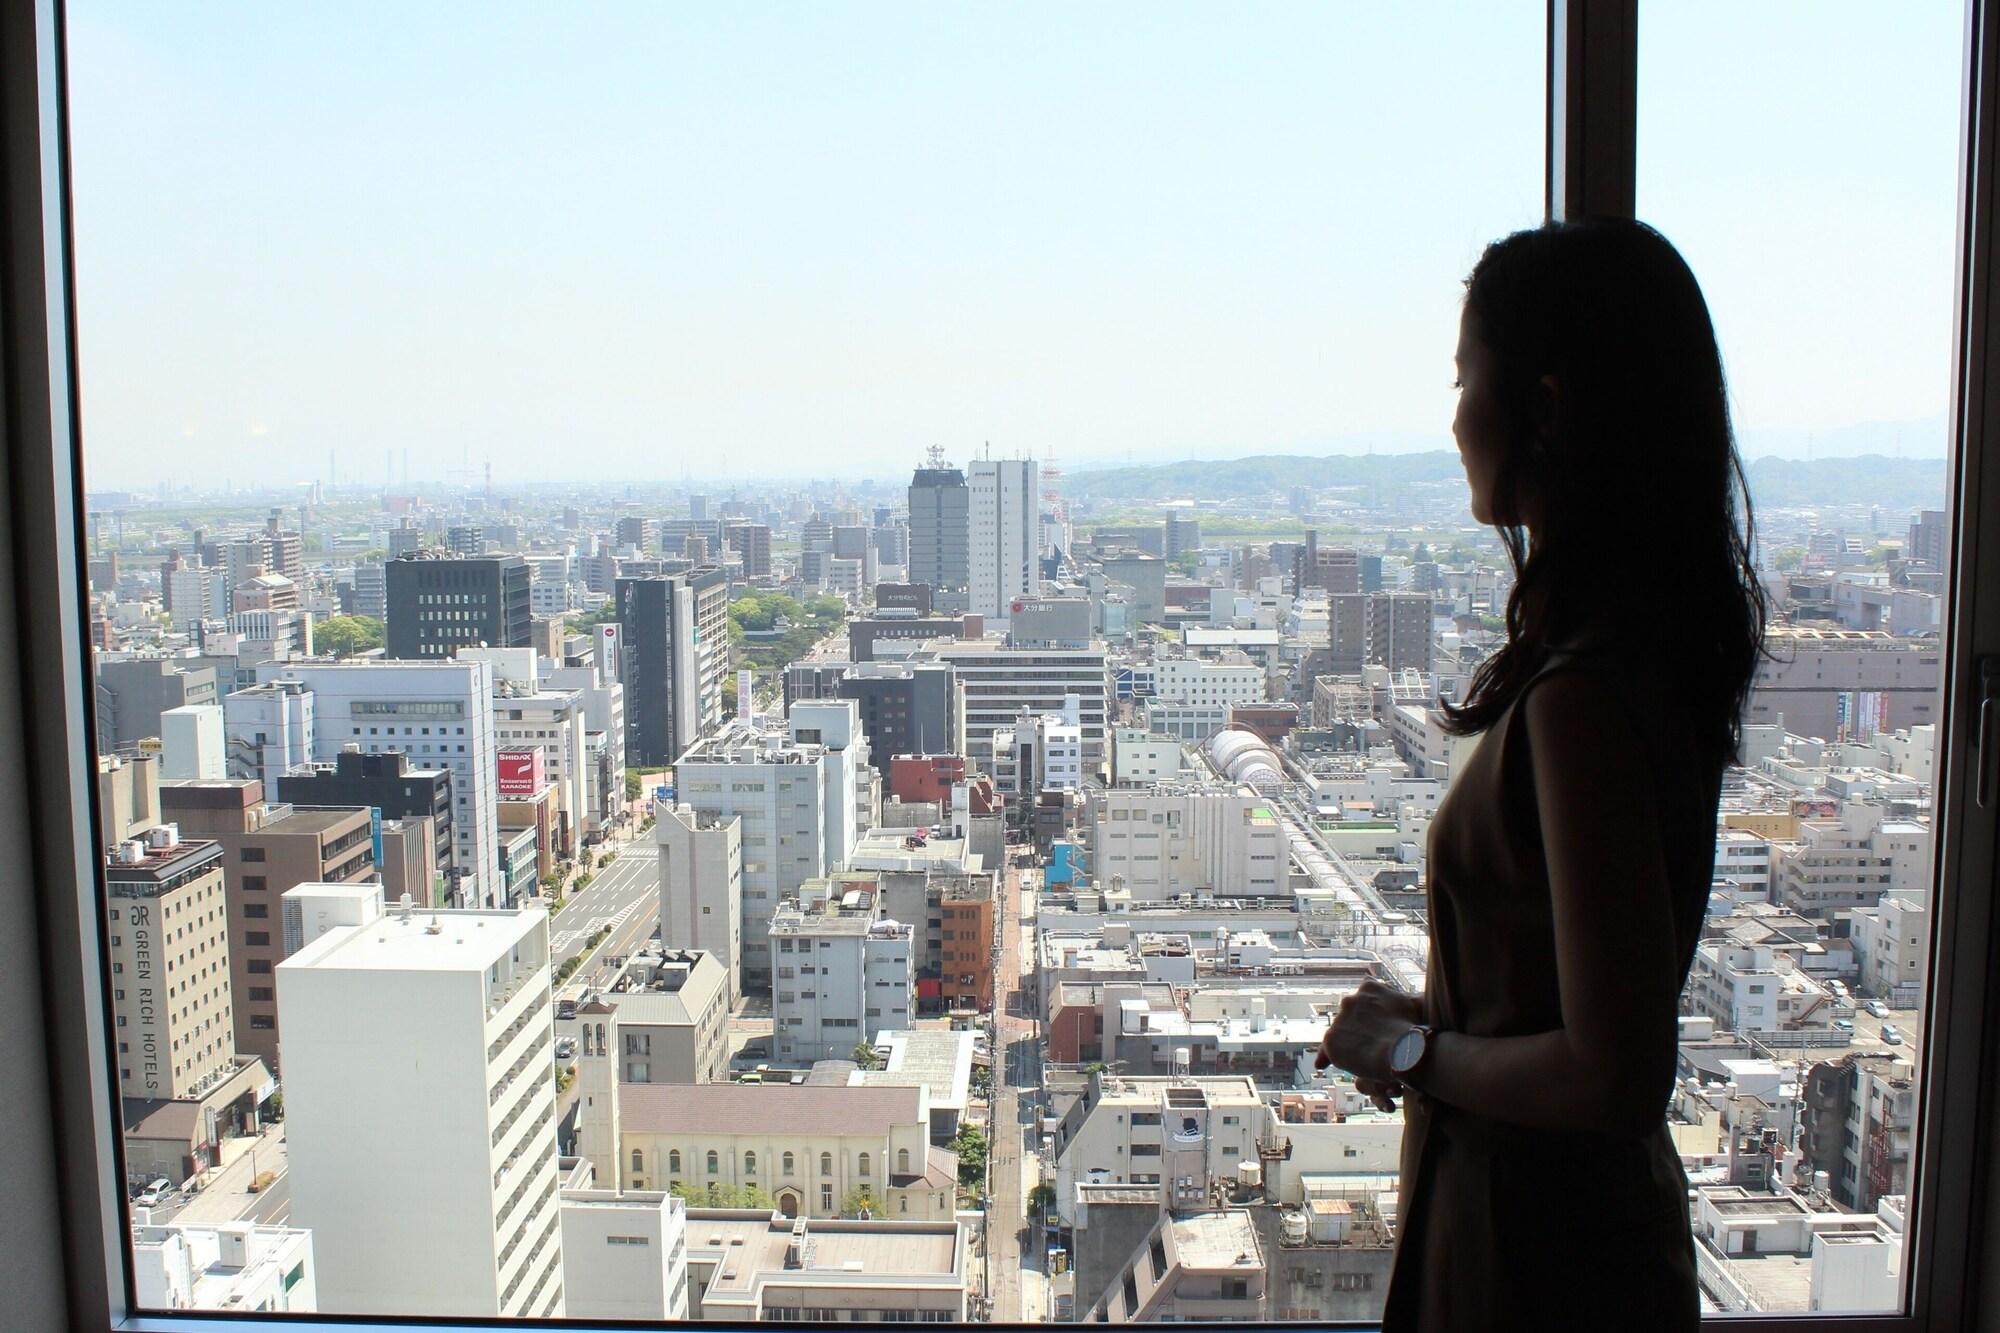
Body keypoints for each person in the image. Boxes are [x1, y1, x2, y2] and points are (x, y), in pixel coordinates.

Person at [1316, 218, 1767, 1330]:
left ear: (1546, 408)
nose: (1455, 414)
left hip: (1539, 1252)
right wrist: (1450, 1017)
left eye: (1468, 375)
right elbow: (1574, 990)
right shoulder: (1637, 662)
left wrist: (1413, 1046)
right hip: (1560, 1233)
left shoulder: (1578, 702)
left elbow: (1612, 1073)